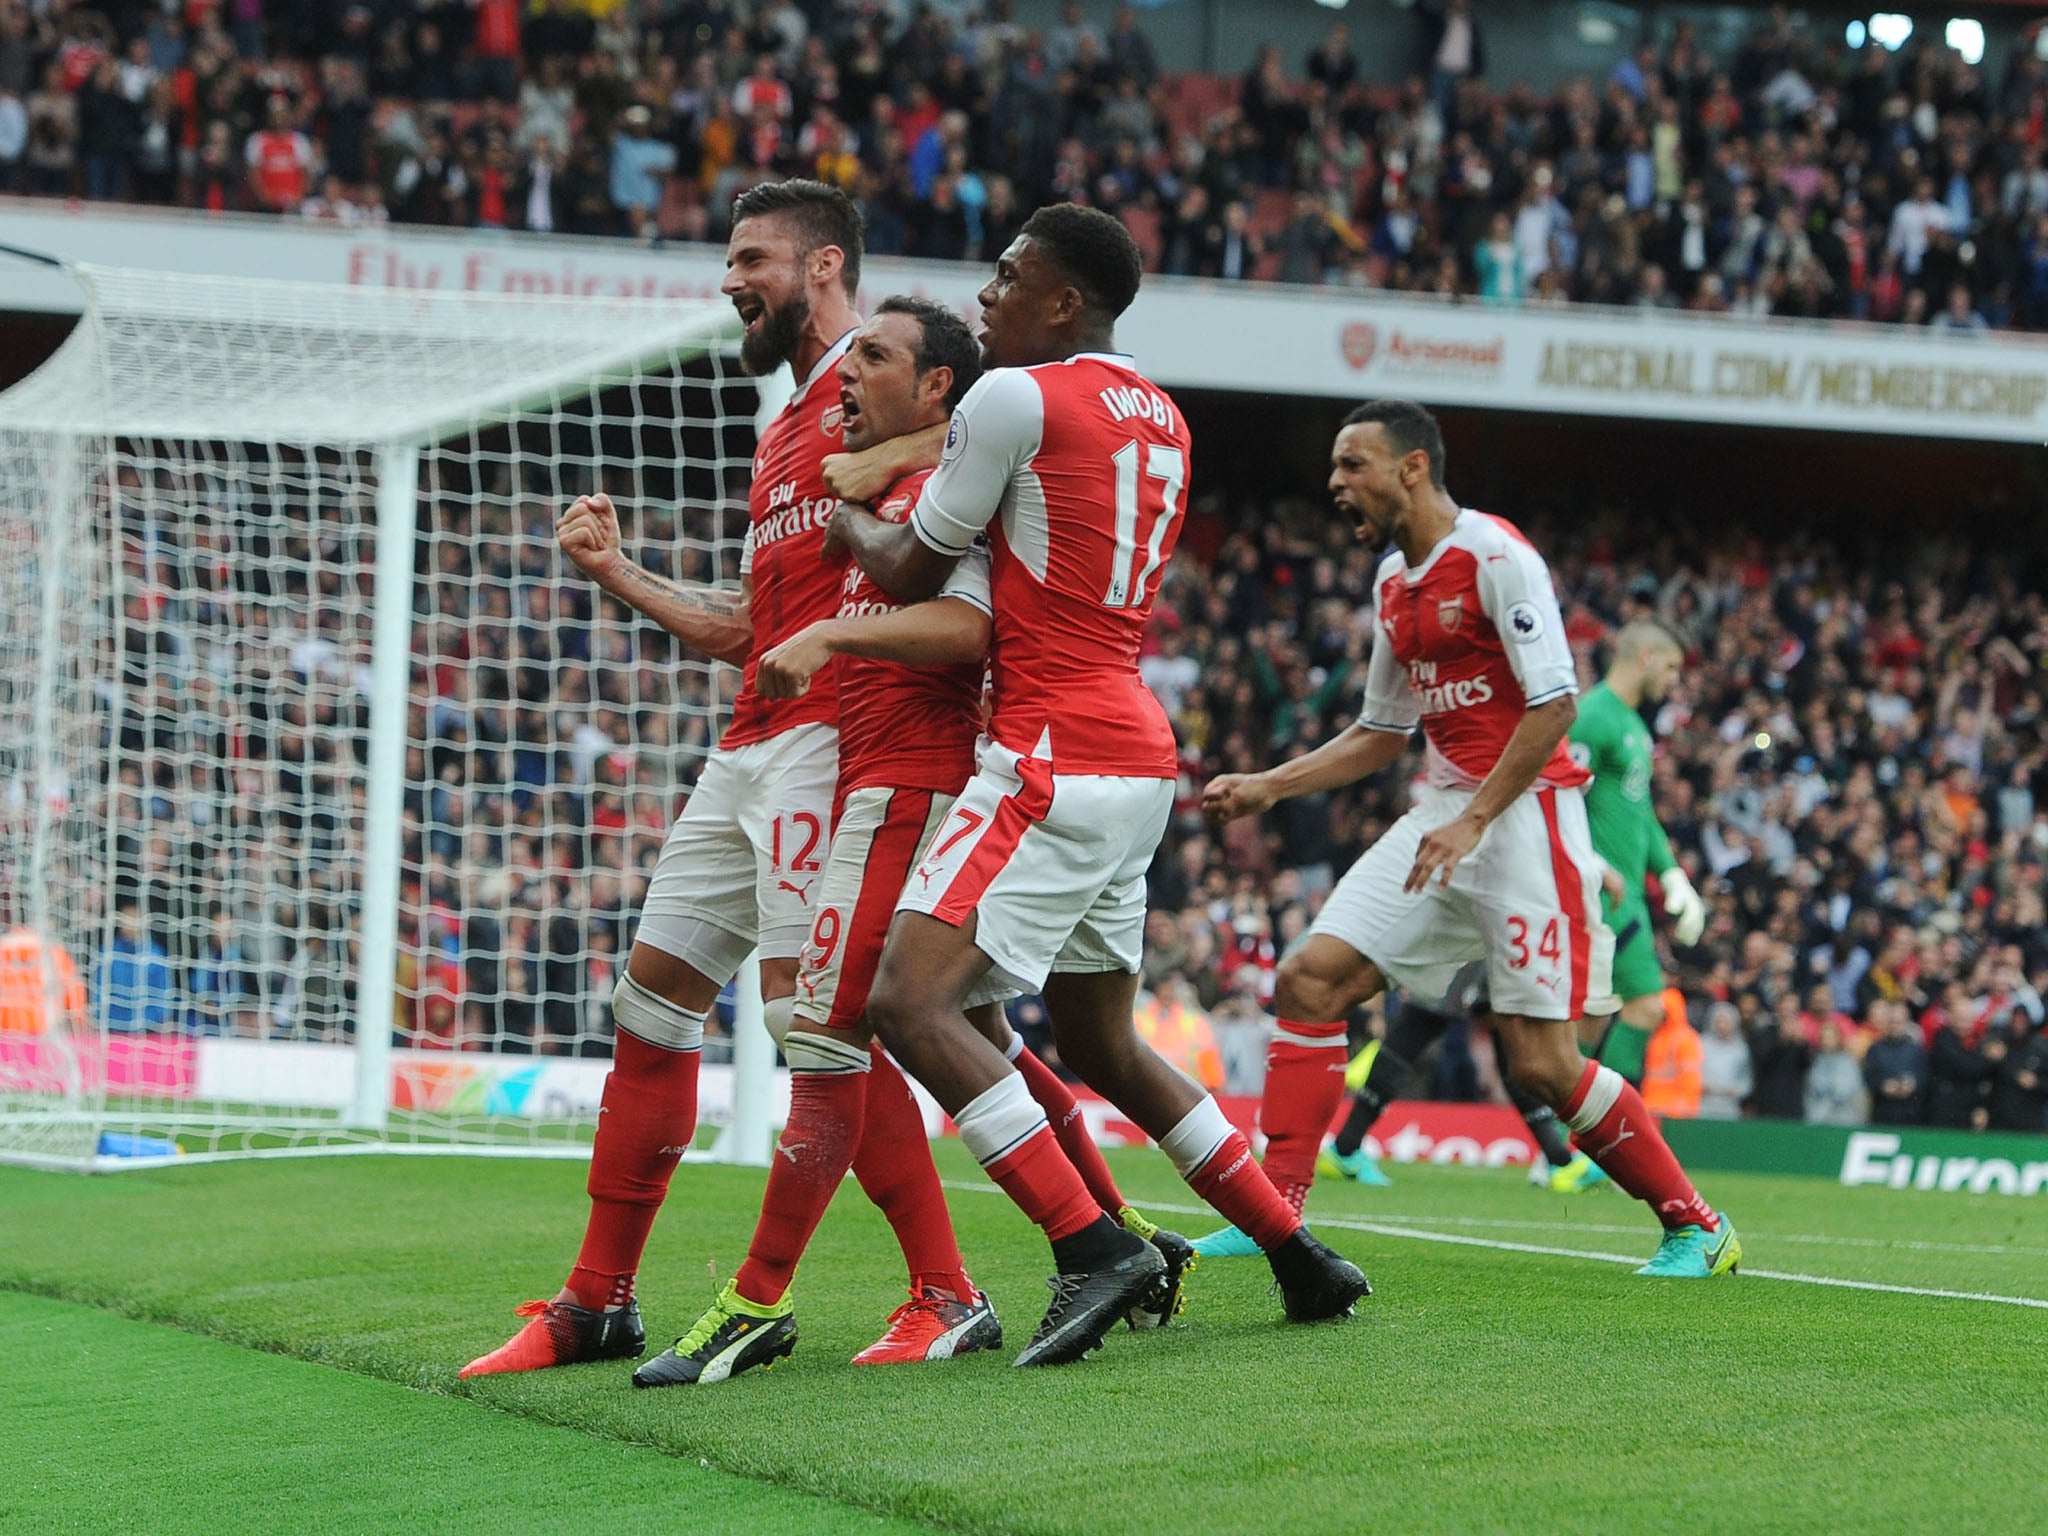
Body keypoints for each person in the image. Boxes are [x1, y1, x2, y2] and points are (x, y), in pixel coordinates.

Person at [821, 204, 1369, 1366]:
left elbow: (915, 561)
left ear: (1063, 301)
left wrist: (845, 516)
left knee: (906, 1002)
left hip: (1048, 754)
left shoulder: (1012, 398)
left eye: (1009, 277)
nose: (985, 297)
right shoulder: (1162, 417)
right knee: (1103, 1041)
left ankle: (1088, 1246)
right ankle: (1296, 1253)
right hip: (1135, 759)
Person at [631, 296, 1186, 1387]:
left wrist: (830, 624)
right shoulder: (876, 488)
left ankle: (786, 1301)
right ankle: (1114, 1235)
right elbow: (760, 629)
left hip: (916, 787)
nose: (844, 375)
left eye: (872, 358)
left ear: (936, 391)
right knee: (954, 1035)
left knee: (832, 1037)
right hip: (875, 789)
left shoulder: (932, 498)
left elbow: (966, 630)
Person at [464, 180, 911, 1379]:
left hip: (834, 741)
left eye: (750, 258)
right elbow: (747, 628)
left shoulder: (885, 403)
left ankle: (942, 1290)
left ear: (823, 267)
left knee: (819, 1029)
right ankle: (596, 1302)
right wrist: (618, 573)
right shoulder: (780, 429)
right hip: (747, 741)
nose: (729, 281)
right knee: (649, 999)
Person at [1196, 400, 1740, 1278]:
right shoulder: (1391, 582)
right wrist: (1271, 784)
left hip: (1525, 823)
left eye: (1352, 465)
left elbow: (1555, 703)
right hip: (1443, 817)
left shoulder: (1496, 558)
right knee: (1308, 979)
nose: (1335, 484)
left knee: (1542, 1066)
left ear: (1412, 467)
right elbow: (1381, 731)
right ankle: (1273, 1212)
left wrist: (1475, 818)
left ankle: (1697, 1225)